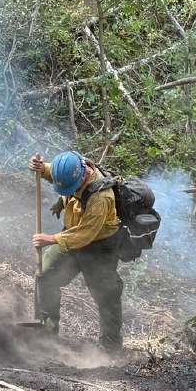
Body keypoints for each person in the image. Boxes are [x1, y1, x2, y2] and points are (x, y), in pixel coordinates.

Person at [27, 151, 123, 353]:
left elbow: (85, 234)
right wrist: (39, 167)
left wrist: (51, 239)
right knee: (45, 272)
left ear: (83, 175)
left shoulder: (101, 197)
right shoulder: (69, 168)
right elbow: (50, 171)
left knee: (107, 294)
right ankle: (47, 332)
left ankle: (111, 348)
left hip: (99, 247)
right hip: (71, 236)